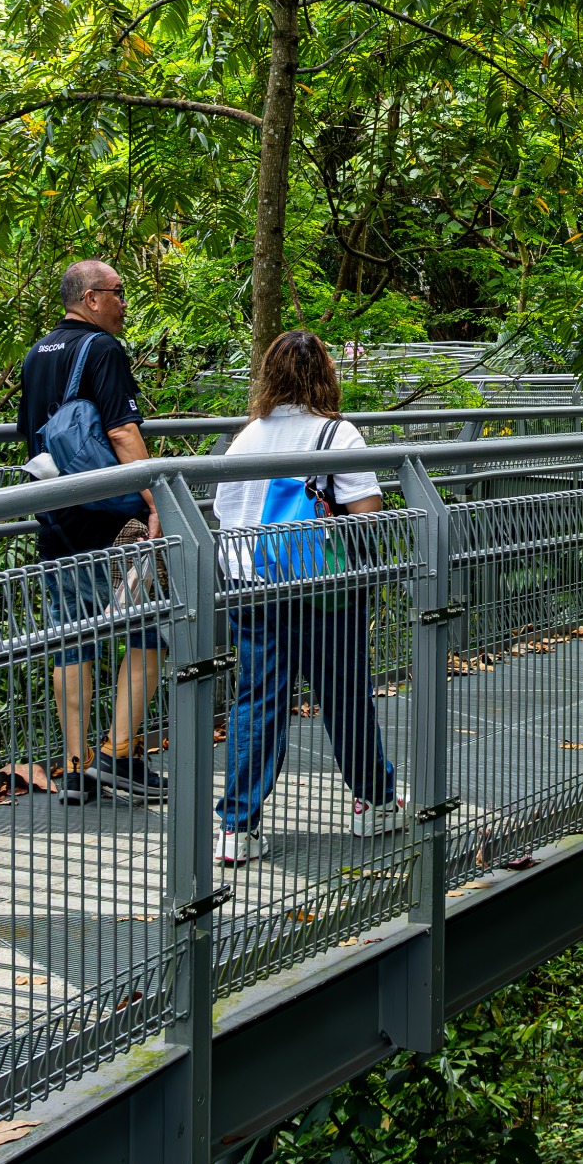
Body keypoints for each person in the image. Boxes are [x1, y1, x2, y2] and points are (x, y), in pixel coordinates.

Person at [212, 331, 402, 865]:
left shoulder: (246, 436)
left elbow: (226, 512)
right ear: (325, 373)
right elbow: (366, 514)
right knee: (344, 696)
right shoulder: (336, 434)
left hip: (250, 581)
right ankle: (377, 803)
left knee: (257, 699)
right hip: (319, 588)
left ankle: (237, 828)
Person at [16, 259, 168, 805]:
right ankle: (118, 753)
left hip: (55, 514)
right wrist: (158, 501)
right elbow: (123, 431)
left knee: (71, 638)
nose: (125, 303)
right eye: (118, 293)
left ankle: (77, 768)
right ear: (91, 298)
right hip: (111, 520)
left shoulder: (36, 355)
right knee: (150, 629)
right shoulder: (103, 350)